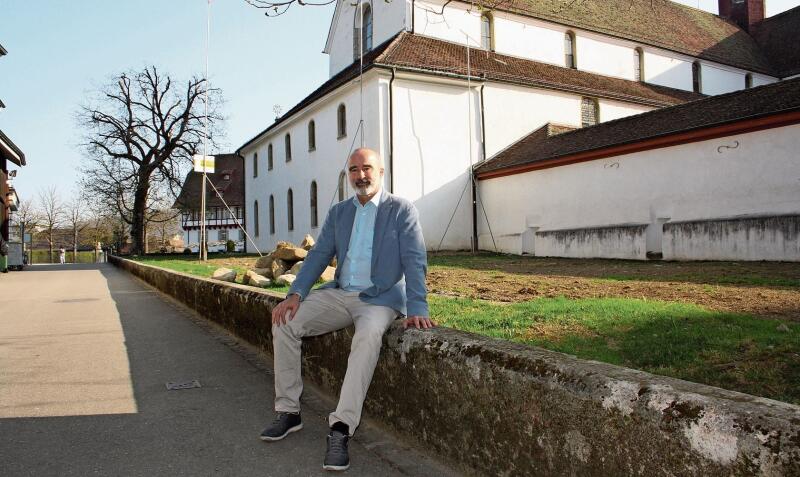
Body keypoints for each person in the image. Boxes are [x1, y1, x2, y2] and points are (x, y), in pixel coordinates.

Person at [262, 148, 435, 471]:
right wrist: (296, 292)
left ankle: (341, 427)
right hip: (340, 294)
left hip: (380, 298)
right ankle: (288, 411)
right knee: (285, 321)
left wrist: (417, 305)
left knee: (368, 336)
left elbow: (415, 259)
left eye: (367, 168)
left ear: (381, 172)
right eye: (353, 170)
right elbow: (318, 255)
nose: (360, 175)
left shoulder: (402, 210)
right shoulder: (340, 212)